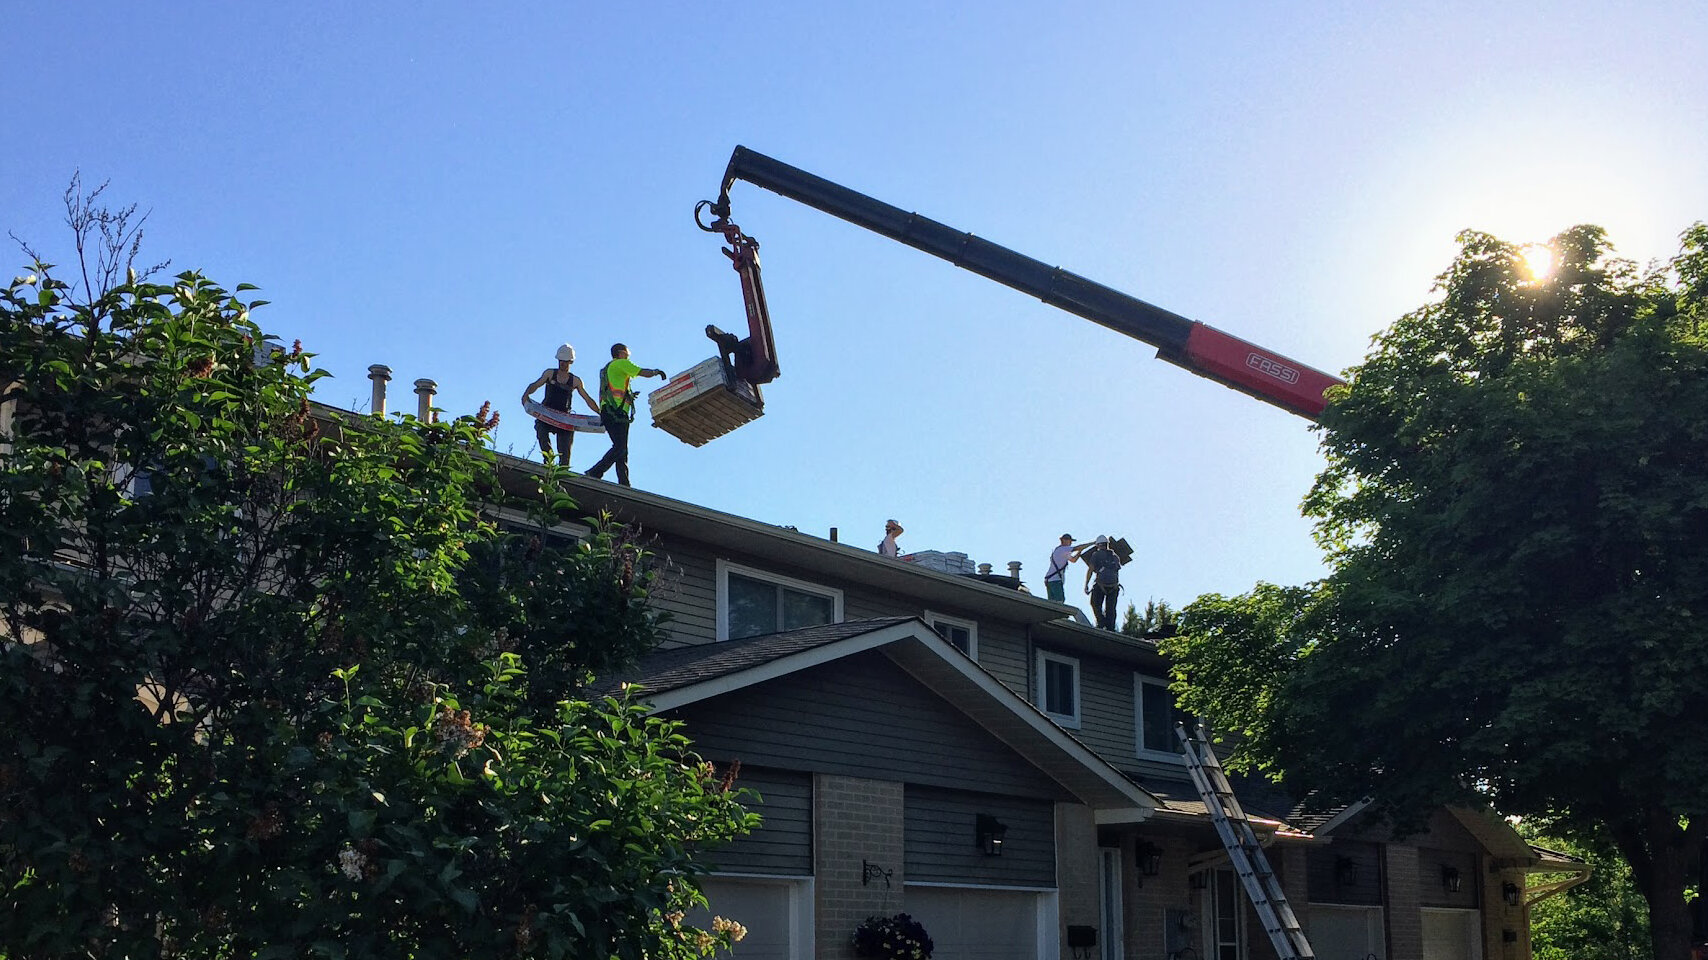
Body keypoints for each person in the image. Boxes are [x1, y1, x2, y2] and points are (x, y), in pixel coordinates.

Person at [586, 342, 666, 487]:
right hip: (616, 413)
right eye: (628, 353)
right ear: (622, 353)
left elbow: (614, 389)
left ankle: (624, 483)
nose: (629, 356)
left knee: (621, 448)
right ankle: (595, 471)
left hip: (608, 412)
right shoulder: (621, 363)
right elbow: (643, 372)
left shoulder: (609, 368)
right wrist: (656, 372)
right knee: (620, 448)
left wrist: (628, 395)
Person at [521, 343, 599, 466]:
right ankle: (549, 462)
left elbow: (587, 399)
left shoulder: (575, 381)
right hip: (547, 412)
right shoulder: (550, 374)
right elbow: (535, 385)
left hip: (564, 416)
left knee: (565, 451)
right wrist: (526, 395)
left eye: (566, 361)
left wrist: (600, 412)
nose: (562, 364)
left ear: (570, 362)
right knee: (541, 431)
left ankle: (562, 473)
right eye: (561, 361)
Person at [1081, 535, 1122, 630]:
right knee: (1111, 609)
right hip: (1114, 586)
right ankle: (1110, 628)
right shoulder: (1115, 557)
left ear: (1098, 545)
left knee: (1095, 603)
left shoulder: (1096, 555)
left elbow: (1090, 569)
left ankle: (1101, 622)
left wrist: (1086, 584)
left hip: (1100, 585)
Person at [1044, 533, 1076, 603]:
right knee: (1059, 602)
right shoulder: (1063, 549)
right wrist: (1090, 544)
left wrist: (1080, 553)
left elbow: (1073, 560)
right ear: (1064, 540)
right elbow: (1077, 548)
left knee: (1051, 603)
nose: (1070, 543)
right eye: (1070, 541)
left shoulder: (1060, 550)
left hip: (1049, 580)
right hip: (1055, 580)